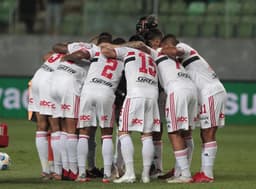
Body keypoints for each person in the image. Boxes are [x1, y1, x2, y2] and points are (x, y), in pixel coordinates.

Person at [160, 34, 227, 183]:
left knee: (208, 133)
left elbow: (174, 51)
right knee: (197, 132)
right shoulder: (183, 62)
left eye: (165, 47)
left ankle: (207, 174)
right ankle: (181, 168)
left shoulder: (184, 48)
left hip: (210, 92)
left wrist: (161, 49)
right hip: (207, 93)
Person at [65, 32, 124, 183]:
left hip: (88, 91)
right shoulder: (125, 58)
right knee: (106, 136)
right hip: (106, 93)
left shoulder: (97, 50)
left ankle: (82, 174)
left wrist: (68, 57)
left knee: (84, 134)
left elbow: (78, 54)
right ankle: (106, 175)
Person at [101, 34, 161, 183]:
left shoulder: (128, 51)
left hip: (135, 93)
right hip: (152, 95)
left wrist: (122, 46)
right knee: (147, 135)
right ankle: (146, 176)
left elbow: (105, 51)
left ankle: (130, 173)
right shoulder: (151, 56)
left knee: (123, 131)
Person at [50, 41, 92, 181]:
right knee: (71, 129)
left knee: (60, 129)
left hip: (54, 83)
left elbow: (55, 47)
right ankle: (73, 171)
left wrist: (67, 54)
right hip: (69, 85)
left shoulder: (75, 46)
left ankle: (62, 169)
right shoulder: (93, 55)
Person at [28, 51, 63, 180]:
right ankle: (57, 171)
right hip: (48, 83)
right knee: (55, 126)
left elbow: (45, 56)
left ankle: (45, 170)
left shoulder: (57, 54)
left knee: (41, 125)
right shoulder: (81, 56)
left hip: (35, 81)